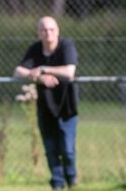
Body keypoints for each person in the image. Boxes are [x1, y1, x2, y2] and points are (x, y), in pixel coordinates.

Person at [13, 16, 79, 190]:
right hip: (45, 106)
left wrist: (43, 69)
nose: (48, 33)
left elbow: (70, 71)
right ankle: (57, 184)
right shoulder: (35, 49)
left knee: (67, 149)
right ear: (38, 33)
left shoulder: (66, 46)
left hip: (66, 106)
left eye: (51, 29)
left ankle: (71, 179)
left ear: (57, 31)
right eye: (44, 30)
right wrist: (38, 77)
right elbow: (18, 71)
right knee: (50, 149)